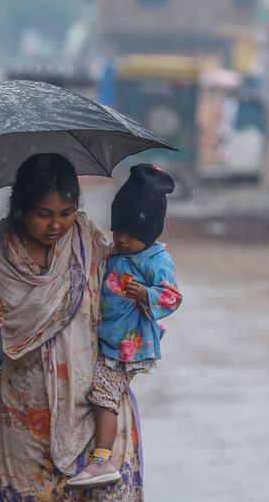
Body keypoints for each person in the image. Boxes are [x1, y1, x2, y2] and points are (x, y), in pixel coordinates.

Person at [0, 153, 145, 500]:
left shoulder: (87, 240)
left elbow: (118, 298)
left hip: (96, 409)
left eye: (65, 214)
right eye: (43, 214)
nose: (56, 225)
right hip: (26, 414)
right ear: (21, 208)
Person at [68, 164, 182, 489]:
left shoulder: (156, 260)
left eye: (129, 235)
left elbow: (173, 297)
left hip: (128, 344)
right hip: (104, 337)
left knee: (103, 395)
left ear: (150, 232)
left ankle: (101, 459)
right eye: (117, 231)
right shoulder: (115, 252)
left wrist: (147, 294)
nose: (121, 239)